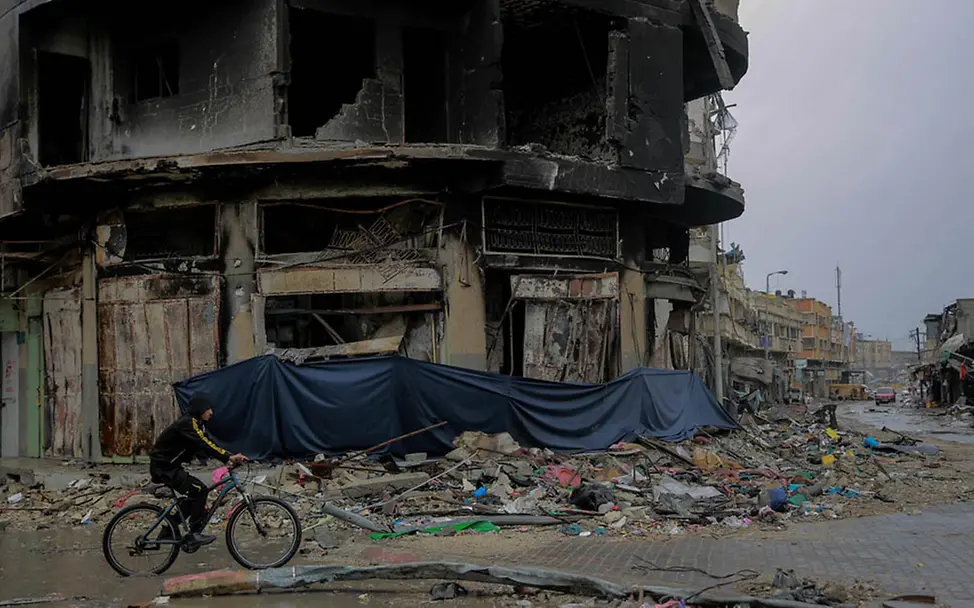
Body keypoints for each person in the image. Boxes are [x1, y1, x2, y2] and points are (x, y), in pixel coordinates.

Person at [148, 392, 246, 545]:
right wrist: (227, 457)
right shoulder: (188, 423)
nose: (211, 412)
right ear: (200, 409)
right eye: (208, 409)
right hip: (164, 467)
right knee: (200, 490)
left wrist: (228, 456)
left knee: (194, 494)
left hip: (169, 466)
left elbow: (208, 444)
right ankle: (193, 534)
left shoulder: (196, 424)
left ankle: (170, 528)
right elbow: (204, 444)